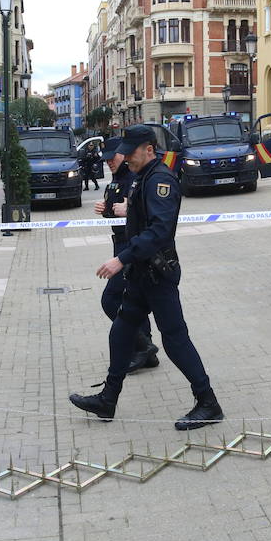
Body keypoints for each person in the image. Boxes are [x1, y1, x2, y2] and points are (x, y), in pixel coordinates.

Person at [70, 124, 223, 430]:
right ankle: (108, 400)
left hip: (157, 273)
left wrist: (120, 258)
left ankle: (208, 403)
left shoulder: (160, 180)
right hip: (141, 272)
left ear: (149, 149)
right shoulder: (144, 177)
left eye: (130, 153)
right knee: (122, 331)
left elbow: (159, 231)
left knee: (175, 339)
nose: (125, 159)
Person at [93, 138, 160, 373]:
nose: (110, 161)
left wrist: (129, 208)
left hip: (131, 248)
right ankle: (147, 353)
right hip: (121, 244)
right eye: (107, 158)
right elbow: (117, 210)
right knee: (135, 298)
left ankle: (143, 346)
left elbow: (149, 212)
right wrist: (105, 210)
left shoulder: (135, 176)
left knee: (110, 299)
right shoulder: (118, 178)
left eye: (114, 156)